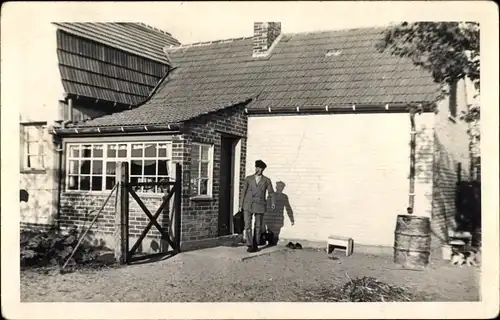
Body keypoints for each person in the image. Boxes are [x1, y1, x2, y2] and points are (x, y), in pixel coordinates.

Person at [239, 160, 276, 252]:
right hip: (248, 204)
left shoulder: (266, 180)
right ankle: (249, 243)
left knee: (258, 226)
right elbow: (243, 192)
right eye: (258, 168)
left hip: (260, 204)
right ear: (255, 168)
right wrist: (240, 204)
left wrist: (273, 203)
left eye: (261, 168)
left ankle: (255, 244)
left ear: (263, 169)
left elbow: (271, 193)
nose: (259, 170)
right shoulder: (248, 178)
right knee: (247, 225)